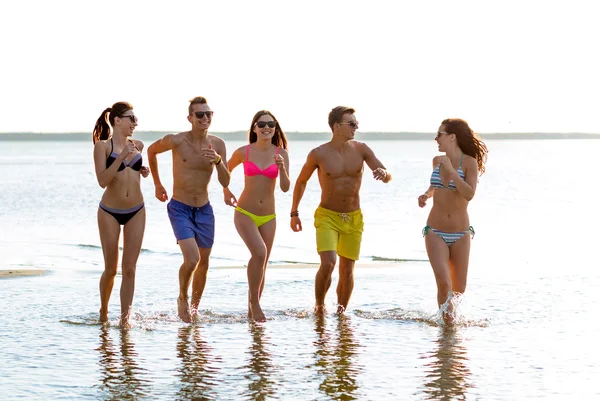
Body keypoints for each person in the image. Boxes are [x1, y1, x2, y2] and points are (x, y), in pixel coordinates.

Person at [290, 106, 391, 314]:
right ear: (337, 126)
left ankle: (341, 313)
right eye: (351, 124)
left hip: (353, 217)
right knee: (328, 263)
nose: (356, 127)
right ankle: (319, 307)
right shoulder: (318, 153)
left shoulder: (362, 149)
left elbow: (388, 175)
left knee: (347, 270)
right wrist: (294, 212)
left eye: (356, 124)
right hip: (327, 215)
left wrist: (384, 173)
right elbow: (301, 182)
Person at [147, 96, 230, 323]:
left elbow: (225, 181)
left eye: (208, 114)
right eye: (200, 115)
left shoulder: (218, 145)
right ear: (190, 118)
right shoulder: (177, 140)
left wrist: (218, 161)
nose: (205, 118)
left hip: (204, 209)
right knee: (192, 259)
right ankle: (182, 296)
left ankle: (194, 310)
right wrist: (157, 184)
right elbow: (152, 151)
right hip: (180, 207)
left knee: (204, 263)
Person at [417, 118, 488, 323]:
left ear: (452, 137)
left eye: (439, 134)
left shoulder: (469, 163)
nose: (436, 138)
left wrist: (451, 171)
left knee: (459, 288)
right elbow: (435, 187)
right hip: (435, 231)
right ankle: (446, 326)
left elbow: (469, 194)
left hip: (461, 233)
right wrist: (425, 194)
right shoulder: (436, 161)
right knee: (443, 282)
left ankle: (450, 322)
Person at [223, 111, 290, 322]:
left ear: (275, 128)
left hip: (269, 216)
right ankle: (255, 304)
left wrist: (282, 169)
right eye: (261, 124)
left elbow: (286, 188)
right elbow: (224, 170)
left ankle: (252, 311)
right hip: (245, 212)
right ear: (254, 128)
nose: (266, 127)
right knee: (259, 253)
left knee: (263, 262)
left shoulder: (281, 153)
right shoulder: (244, 152)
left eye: (271, 124)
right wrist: (226, 190)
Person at [92, 102, 150, 328]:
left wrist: (142, 171)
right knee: (111, 269)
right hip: (109, 212)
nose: (135, 123)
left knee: (130, 268)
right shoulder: (103, 147)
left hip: (137, 209)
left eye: (136, 120)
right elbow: (102, 181)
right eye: (131, 119)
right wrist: (121, 156)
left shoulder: (139, 145)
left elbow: (132, 172)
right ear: (117, 120)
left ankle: (125, 320)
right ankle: (104, 312)